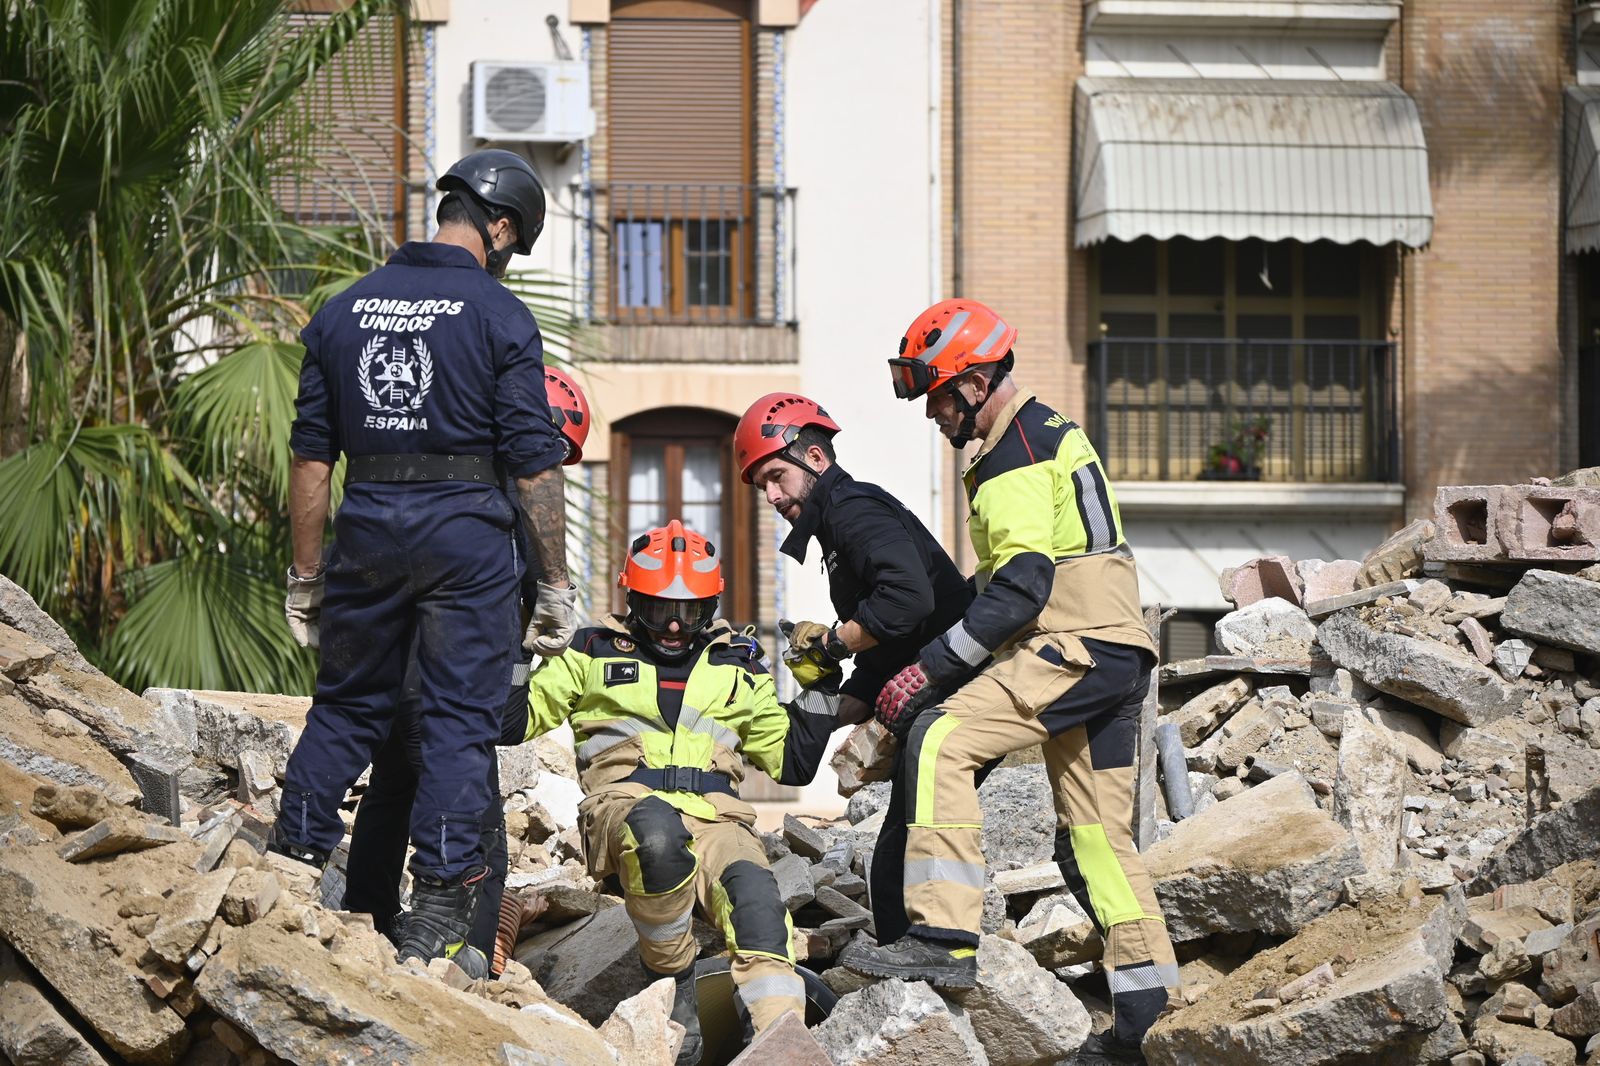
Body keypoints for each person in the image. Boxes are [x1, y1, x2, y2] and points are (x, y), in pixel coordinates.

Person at [840, 298, 1179, 1058]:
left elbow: (1023, 586)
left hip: (1074, 646)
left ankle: (942, 936)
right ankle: (1144, 1023)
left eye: (936, 395)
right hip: (1119, 653)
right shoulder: (1045, 431)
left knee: (940, 738)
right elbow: (1018, 579)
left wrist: (929, 669)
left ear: (975, 379)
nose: (932, 414)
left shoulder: (1009, 454)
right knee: (1097, 839)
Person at [273, 149, 580, 973]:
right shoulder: (497, 313)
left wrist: (307, 576)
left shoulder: (344, 311)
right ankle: (440, 907)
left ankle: (288, 865)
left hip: (366, 526)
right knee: (454, 721)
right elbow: (533, 460)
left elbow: (310, 458)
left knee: (345, 707)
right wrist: (553, 582)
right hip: (466, 538)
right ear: (502, 226)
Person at [517, 520, 838, 1065]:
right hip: (625, 806)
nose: (672, 624)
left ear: (710, 605)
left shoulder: (740, 659)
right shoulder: (587, 648)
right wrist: (512, 648)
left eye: (689, 612)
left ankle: (783, 1045)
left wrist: (821, 681)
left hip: (719, 819)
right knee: (657, 840)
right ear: (631, 597)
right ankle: (675, 991)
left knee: (759, 908)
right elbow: (513, 721)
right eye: (656, 607)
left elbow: (792, 762)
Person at [340, 366, 592, 976]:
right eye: (555, 453)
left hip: (394, 676)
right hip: (448, 687)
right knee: (478, 817)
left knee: (393, 788)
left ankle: (366, 918)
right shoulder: (510, 511)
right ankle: (469, 951)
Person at [733, 391, 974, 945]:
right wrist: (810, 711)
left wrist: (834, 643)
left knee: (900, 853)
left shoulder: (852, 509)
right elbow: (882, 656)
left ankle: (927, 964)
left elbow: (907, 600)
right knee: (892, 855)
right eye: (760, 487)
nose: (770, 496)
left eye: (775, 476)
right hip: (927, 693)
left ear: (815, 459)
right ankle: (911, 964)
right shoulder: (835, 526)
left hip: (953, 697)